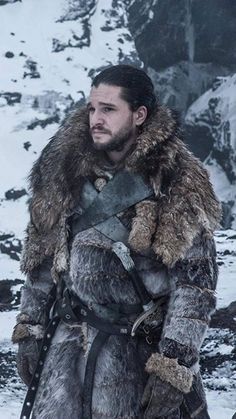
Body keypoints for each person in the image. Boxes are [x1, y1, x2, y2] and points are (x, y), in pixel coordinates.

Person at [12, 64, 221, 419]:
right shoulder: (62, 169)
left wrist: (173, 366)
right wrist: (30, 328)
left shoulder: (176, 179)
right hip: (66, 358)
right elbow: (42, 260)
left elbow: (194, 286)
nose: (96, 118)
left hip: (138, 357)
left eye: (109, 109)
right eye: (93, 108)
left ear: (139, 115)